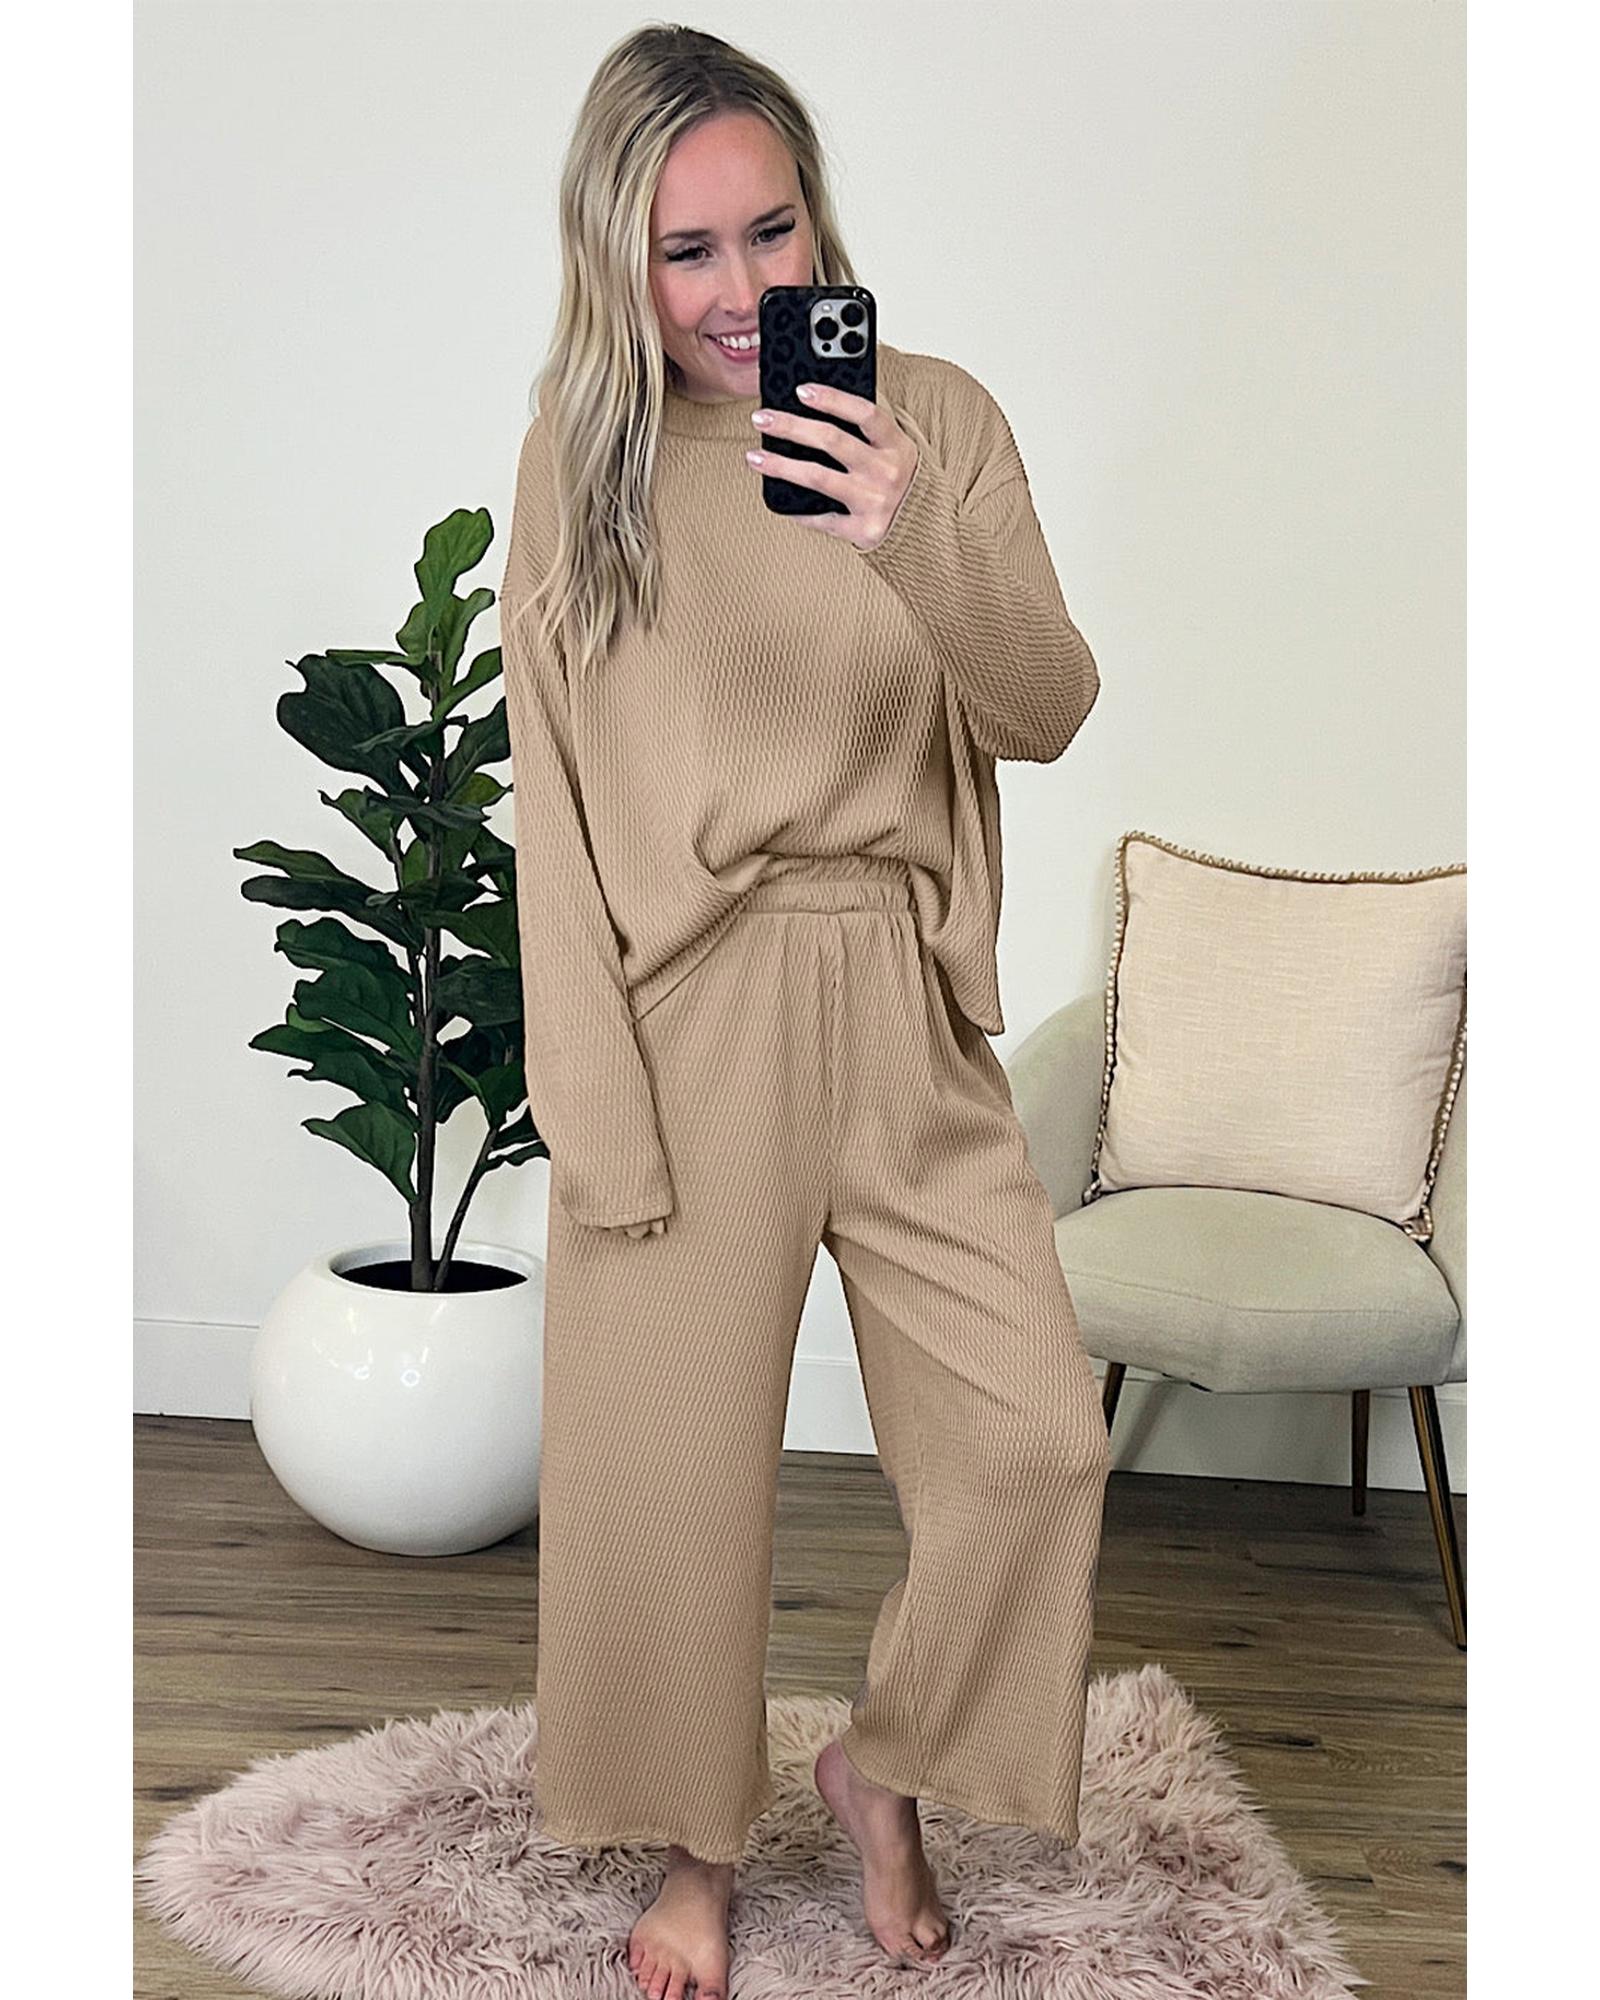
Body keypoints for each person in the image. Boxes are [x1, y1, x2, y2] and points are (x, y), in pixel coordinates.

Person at [499, 25, 1112, 2000]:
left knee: (1035, 1439)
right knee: (679, 1476)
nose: (739, 290)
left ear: (816, 218)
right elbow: (551, 800)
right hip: (690, 1012)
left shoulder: (929, 420)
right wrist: (590, 1099)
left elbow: (1045, 708)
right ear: (615, 258)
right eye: (684, 251)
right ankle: (701, 1849)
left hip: (904, 998)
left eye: (770, 231)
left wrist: (906, 530)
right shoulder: (579, 461)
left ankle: (885, 1766)